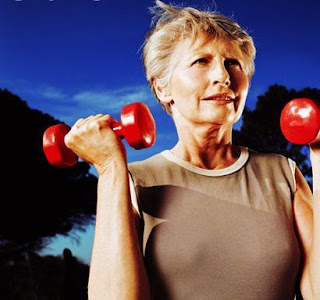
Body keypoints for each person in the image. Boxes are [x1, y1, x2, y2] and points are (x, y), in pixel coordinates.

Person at [64, 1, 319, 299]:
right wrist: (109, 170)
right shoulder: (134, 180)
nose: (223, 76)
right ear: (163, 89)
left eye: (233, 63)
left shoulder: (283, 173)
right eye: (201, 61)